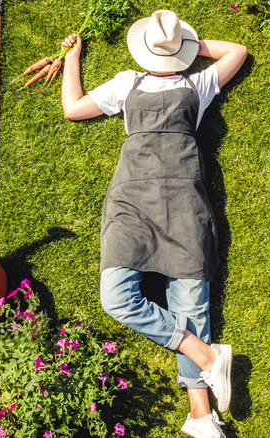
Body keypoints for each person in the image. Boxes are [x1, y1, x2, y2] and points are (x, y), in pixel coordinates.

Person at [61, 9, 247, 438]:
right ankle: (205, 355)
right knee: (117, 299)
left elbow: (239, 52)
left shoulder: (197, 85)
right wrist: (74, 58)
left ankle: (201, 415)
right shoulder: (129, 83)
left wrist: (186, 49)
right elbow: (73, 108)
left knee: (190, 303)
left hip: (184, 201)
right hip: (133, 201)